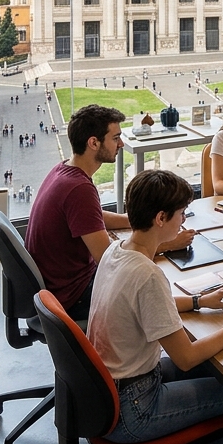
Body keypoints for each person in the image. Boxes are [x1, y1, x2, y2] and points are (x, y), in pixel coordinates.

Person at [88, 169, 223, 444]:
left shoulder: (116, 250)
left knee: (219, 372)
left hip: (108, 393)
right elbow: (186, 357)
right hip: (134, 410)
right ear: (160, 218)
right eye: (181, 213)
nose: (184, 220)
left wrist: (198, 301)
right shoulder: (148, 275)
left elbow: (147, 304)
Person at [27, 104, 193, 321]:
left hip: (57, 288)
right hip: (74, 296)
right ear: (94, 143)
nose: (121, 144)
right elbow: (112, 262)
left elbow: (92, 216)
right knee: (153, 286)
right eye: (115, 138)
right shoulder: (79, 189)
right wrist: (169, 243)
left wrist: (136, 221)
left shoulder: (65, 171)